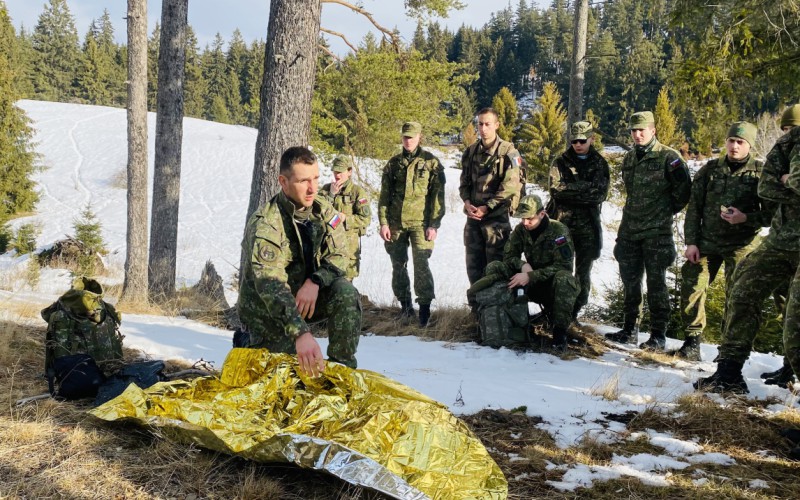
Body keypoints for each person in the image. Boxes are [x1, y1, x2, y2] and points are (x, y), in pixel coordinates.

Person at [695, 105, 800, 393]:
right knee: (742, 290)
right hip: (780, 241)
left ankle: (792, 372)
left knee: (794, 316)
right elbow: (766, 188)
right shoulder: (785, 146)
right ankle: (728, 372)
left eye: (793, 129)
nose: (789, 134)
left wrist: (788, 180)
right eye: (787, 129)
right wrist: (789, 183)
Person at [238, 146, 361, 377]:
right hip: (269, 313)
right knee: (287, 380)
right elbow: (270, 286)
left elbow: (341, 255)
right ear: (283, 182)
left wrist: (315, 281)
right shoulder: (267, 224)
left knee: (346, 293)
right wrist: (300, 333)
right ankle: (249, 343)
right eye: (304, 181)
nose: (312, 188)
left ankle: (342, 372)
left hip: (305, 299)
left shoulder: (322, 210)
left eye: (315, 178)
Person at [673, 122, 773, 361]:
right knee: (692, 287)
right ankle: (692, 342)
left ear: (749, 145)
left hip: (742, 245)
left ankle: (728, 351)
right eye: (731, 141)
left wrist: (745, 218)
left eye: (740, 142)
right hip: (707, 242)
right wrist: (692, 243)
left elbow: (770, 215)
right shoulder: (709, 170)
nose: (734, 146)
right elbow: (694, 208)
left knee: (738, 296)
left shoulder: (760, 173)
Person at [605, 111, 691, 349]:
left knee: (656, 284)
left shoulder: (668, 157)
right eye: (634, 130)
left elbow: (683, 193)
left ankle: (657, 335)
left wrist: (661, 211)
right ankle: (630, 329)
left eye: (642, 130)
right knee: (630, 282)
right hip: (630, 229)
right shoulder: (630, 158)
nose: (638, 134)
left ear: (653, 130)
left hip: (656, 232)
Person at [378, 121, 446, 327]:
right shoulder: (393, 164)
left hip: (421, 224)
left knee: (422, 265)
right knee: (398, 266)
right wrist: (383, 223)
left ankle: (424, 311)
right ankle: (405, 308)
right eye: (405, 137)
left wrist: (434, 224)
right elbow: (384, 197)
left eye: (412, 137)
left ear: (419, 137)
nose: (408, 141)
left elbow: (438, 197)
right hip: (396, 223)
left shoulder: (431, 163)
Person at [460, 107, 524, 311]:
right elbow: (464, 183)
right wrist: (467, 202)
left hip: (496, 221)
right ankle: (476, 311)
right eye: (480, 124)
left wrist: (487, 208)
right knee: (474, 267)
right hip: (473, 219)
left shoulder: (508, 152)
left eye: (487, 124)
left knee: (496, 268)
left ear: (497, 125)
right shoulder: (470, 152)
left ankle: (496, 312)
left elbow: (510, 186)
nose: (483, 128)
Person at [547, 120, 610, 324]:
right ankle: (555, 313)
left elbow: (599, 195)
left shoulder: (599, 163)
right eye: (574, 140)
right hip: (562, 225)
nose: (578, 144)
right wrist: (585, 188)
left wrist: (571, 189)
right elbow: (556, 191)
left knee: (583, 273)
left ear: (591, 139)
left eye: (582, 140)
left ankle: (573, 314)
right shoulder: (561, 162)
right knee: (559, 270)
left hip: (588, 228)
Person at [503, 194, 579, 351]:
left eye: (530, 218)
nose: (525, 223)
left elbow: (564, 266)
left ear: (542, 214)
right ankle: (518, 326)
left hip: (552, 284)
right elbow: (509, 257)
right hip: (531, 282)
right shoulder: (521, 230)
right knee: (501, 270)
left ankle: (559, 335)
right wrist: (522, 265)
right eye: (522, 219)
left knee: (565, 279)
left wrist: (531, 275)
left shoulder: (559, 231)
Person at [320, 155, 371, 280]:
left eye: (340, 172)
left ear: (349, 172)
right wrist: (331, 195)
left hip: (348, 249)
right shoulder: (326, 190)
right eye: (335, 171)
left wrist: (345, 219)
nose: (337, 175)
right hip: (327, 248)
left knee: (346, 288)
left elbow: (365, 218)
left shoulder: (357, 192)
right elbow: (316, 213)